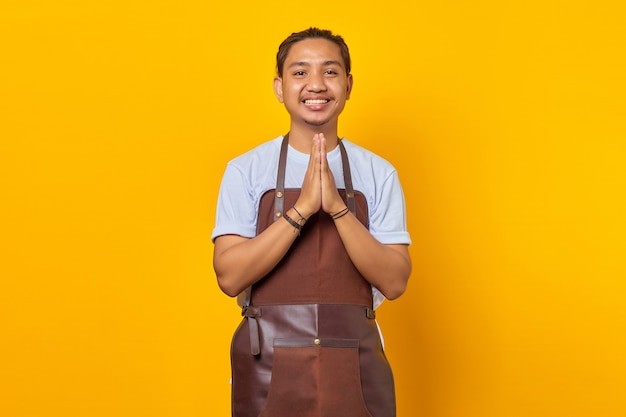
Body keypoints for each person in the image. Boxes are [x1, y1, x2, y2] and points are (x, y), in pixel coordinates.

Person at [212, 27, 412, 417]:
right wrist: (302, 209)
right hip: (266, 364)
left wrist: (337, 207)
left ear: (349, 85)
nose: (316, 84)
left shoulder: (379, 173)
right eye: (300, 72)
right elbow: (229, 277)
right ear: (279, 86)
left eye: (330, 72)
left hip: (355, 364)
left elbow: (395, 281)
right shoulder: (246, 170)